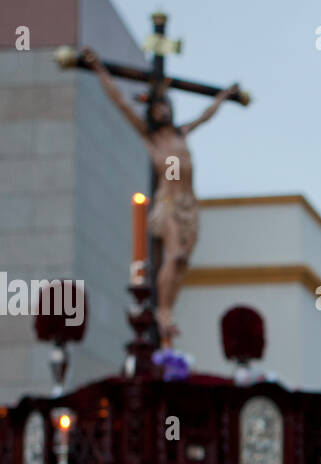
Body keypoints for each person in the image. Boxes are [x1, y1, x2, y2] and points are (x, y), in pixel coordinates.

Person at [81, 47, 238, 347]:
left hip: (189, 204)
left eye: (166, 106)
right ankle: (163, 312)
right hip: (168, 202)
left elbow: (206, 116)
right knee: (174, 254)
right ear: (151, 113)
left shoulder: (180, 133)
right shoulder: (151, 137)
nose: (162, 111)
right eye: (157, 108)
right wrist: (99, 68)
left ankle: (170, 311)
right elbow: (120, 101)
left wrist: (224, 97)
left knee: (182, 263)